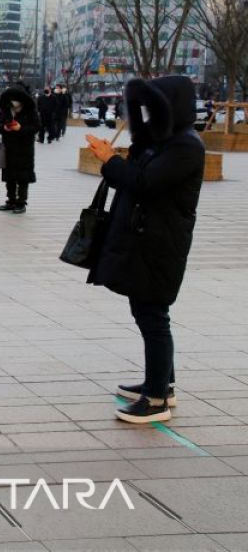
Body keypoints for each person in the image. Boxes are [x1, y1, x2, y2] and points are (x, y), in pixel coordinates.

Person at [85, 77, 204, 424]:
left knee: (153, 317)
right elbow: (139, 173)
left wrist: (110, 160)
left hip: (161, 244)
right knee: (147, 312)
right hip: (146, 240)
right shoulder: (165, 141)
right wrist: (120, 155)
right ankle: (161, 383)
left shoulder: (185, 146)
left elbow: (144, 182)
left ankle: (156, 400)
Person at [0, 85, 39, 214]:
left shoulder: (30, 110)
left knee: (23, 176)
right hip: (8, 147)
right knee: (9, 176)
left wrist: (20, 128)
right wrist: (5, 128)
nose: (13, 102)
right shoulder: (6, 109)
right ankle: (11, 200)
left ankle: (21, 202)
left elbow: (36, 127)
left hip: (24, 148)